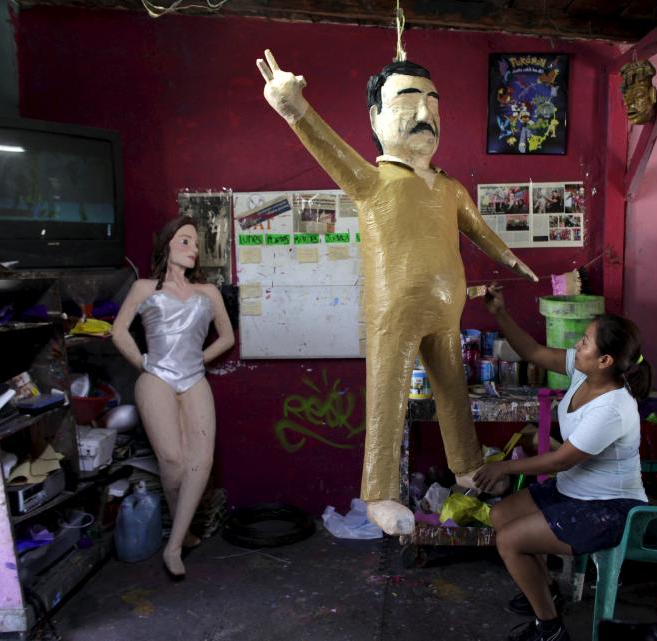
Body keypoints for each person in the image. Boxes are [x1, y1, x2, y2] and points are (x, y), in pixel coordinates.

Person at [256, 50, 538, 535]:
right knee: (388, 398)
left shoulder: (450, 188)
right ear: (376, 117)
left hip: (447, 311)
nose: (425, 115)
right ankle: (380, 493)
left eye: (433, 102)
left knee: (453, 393)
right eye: (408, 102)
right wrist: (293, 108)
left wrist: (510, 258)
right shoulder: (373, 180)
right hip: (395, 311)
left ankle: (467, 465)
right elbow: (326, 146)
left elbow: (478, 232)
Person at [474, 284, 651, 641]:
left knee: (510, 541)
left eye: (585, 342)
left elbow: (559, 460)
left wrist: (503, 466)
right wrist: (500, 313)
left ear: (606, 360)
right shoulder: (586, 372)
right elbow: (534, 351)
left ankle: (550, 629)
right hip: (575, 490)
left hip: (609, 508)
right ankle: (547, 591)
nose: (576, 346)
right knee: (500, 516)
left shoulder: (613, 408)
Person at [112, 216, 235, 579]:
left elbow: (226, 338)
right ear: (167, 245)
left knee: (203, 459)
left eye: (196, 244)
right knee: (173, 459)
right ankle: (184, 531)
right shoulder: (145, 288)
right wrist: (143, 364)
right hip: (157, 377)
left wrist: (201, 358)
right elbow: (118, 332)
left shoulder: (208, 293)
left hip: (194, 377)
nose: (193, 249)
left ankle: (174, 545)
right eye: (185, 241)